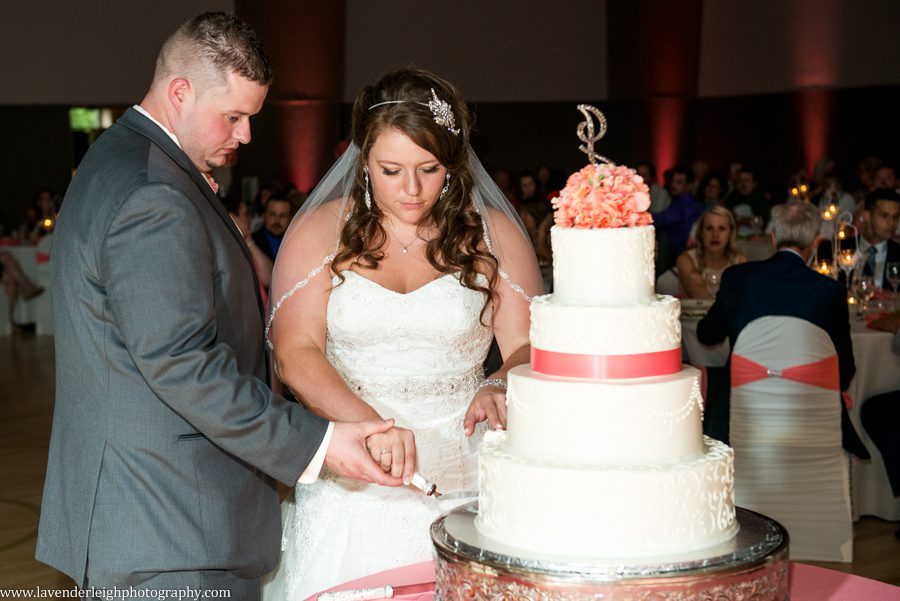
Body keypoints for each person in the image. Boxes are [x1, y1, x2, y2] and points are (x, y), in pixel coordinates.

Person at [36, 12, 400, 598]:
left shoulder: (119, 157)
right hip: (172, 526)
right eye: (233, 116)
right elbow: (181, 363)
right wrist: (320, 443)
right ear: (180, 91)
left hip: (144, 514)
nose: (246, 135)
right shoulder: (154, 193)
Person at [261, 67, 542, 600]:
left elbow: (529, 345)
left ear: (453, 163)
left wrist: (502, 381)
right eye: (391, 170)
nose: (411, 190)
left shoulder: (494, 235)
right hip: (355, 464)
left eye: (429, 169)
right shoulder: (320, 231)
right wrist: (366, 425)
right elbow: (295, 352)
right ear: (363, 160)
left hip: (466, 466)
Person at [696, 202, 869, 459]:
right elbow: (845, 368)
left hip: (743, 407)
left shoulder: (737, 277)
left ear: (773, 237)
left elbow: (707, 335)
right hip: (806, 409)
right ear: (814, 240)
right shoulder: (828, 290)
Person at [675, 207, 748, 300]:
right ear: (701, 232)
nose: (715, 235)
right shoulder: (685, 260)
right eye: (709, 228)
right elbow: (700, 296)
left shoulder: (740, 261)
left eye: (721, 229)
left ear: (730, 233)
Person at [857, 188, 900, 291]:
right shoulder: (841, 250)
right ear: (867, 216)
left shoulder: (898, 254)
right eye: (884, 216)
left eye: (895, 217)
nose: (892, 223)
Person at [252, 193, 292, 261]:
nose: (277, 220)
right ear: (264, 216)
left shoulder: (295, 242)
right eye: (272, 214)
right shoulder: (252, 242)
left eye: (283, 215)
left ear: (290, 218)